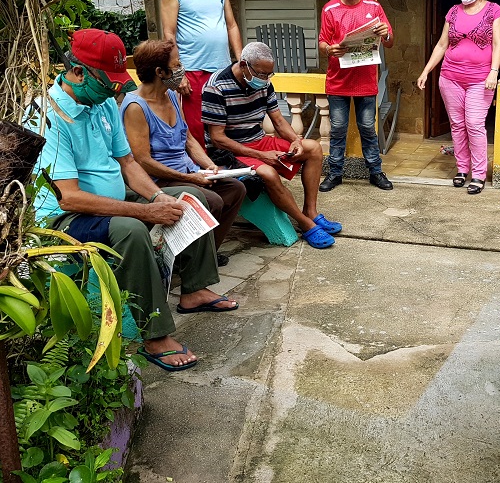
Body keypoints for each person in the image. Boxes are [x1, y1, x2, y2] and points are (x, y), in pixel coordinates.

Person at [33, 29, 238, 372]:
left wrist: (158, 197)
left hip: (111, 199)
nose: (116, 90)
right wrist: (145, 210)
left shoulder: (102, 103)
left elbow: (127, 163)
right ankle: (154, 333)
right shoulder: (49, 116)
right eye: (109, 83)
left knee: (188, 199)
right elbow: (68, 198)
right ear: (78, 71)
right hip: (65, 218)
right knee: (131, 229)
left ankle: (195, 290)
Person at [202, 42, 341, 249]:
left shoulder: (264, 83)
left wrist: (295, 140)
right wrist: (260, 156)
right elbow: (218, 138)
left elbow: (277, 120)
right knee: (267, 173)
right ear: (243, 65)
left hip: (258, 140)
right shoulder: (216, 87)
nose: (265, 79)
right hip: (229, 151)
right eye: (261, 74)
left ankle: (310, 211)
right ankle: (305, 225)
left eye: (269, 74)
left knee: (313, 148)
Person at [121, 39, 247, 258]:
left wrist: (209, 166)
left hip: (188, 172)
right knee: (212, 200)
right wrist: (190, 179)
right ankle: (189, 259)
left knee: (236, 189)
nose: (182, 70)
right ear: (160, 72)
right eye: (177, 65)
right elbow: (143, 161)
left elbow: (187, 138)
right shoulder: (135, 107)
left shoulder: (171, 94)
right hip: (161, 179)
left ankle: (206, 255)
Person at [416, 0, 500, 195]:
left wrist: (494, 71)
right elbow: (442, 45)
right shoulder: (453, 12)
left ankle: (478, 173)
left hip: (480, 79)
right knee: (457, 125)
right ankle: (462, 169)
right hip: (450, 77)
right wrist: (426, 71)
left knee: (474, 124)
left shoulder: (494, 11)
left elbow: (497, 44)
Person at [318, 0, 394, 192]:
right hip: (338, 82)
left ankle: (376, 172)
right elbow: (322, 41)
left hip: (366, 82)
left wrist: (386, 34)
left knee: (367, 128)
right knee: (338, 129)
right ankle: (335, 173)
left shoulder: (374, 8)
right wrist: (330, 49)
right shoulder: (330, 9)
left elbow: (389, 41)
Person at [161, 0, 243, 147]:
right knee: (197, 126)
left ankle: (231, 170)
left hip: (223, 69)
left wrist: (241, 61)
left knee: (226, 123)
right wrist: (178, 73)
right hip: (193, 70)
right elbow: (169, 33)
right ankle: (203, 175)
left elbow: (232, 25)